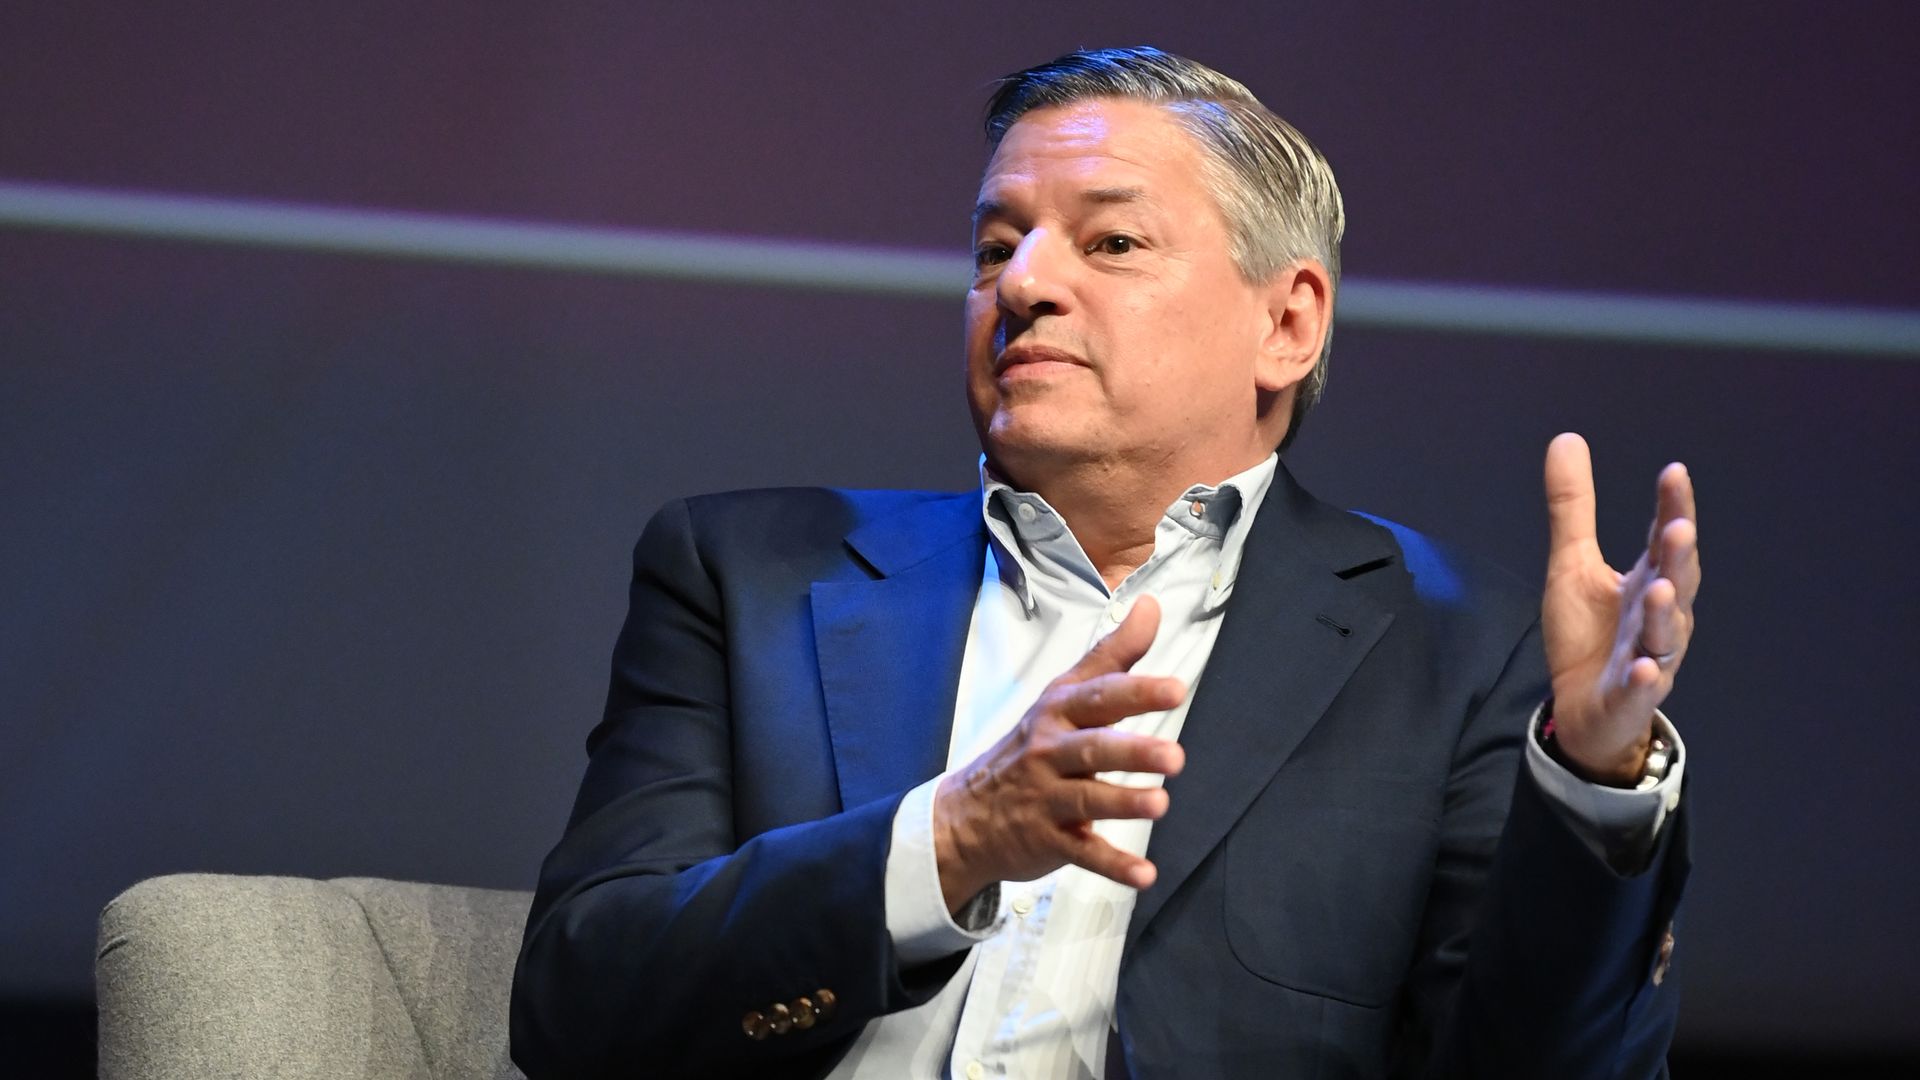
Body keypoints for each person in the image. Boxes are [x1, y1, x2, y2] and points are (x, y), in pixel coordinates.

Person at [510, 46, 1699, 1080]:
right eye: (995, 248)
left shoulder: (1460, 651)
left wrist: (1594, 783)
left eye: (1111, 241)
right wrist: (949, 843)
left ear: (1287, 323)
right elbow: (577, 1005)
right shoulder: (748, 578)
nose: (1023, 285)